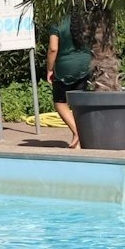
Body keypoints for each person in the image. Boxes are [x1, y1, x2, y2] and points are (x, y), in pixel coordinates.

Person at [42, 14, 94, 149]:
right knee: (78, 104)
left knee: (60, 103)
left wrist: (49, 69)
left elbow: (53, 48)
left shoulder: (58, 22)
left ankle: (78, 133)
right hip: (85, 64)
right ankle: (78, 142)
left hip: (65, 68)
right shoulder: (85, 19)